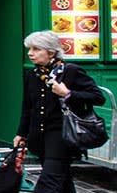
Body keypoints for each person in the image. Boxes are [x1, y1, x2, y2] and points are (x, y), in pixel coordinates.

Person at [14, 30, 105, 193]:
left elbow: (97, 97)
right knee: (62, 181)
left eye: (36, 49)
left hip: (63, 136)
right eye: (29, 49)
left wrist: (68, 94)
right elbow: (27, 107)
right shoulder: (32, 75)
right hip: (40, 137)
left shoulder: (72, 71)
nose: (30, 53)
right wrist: (21, 134)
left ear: (51, 52)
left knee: (49, 182)